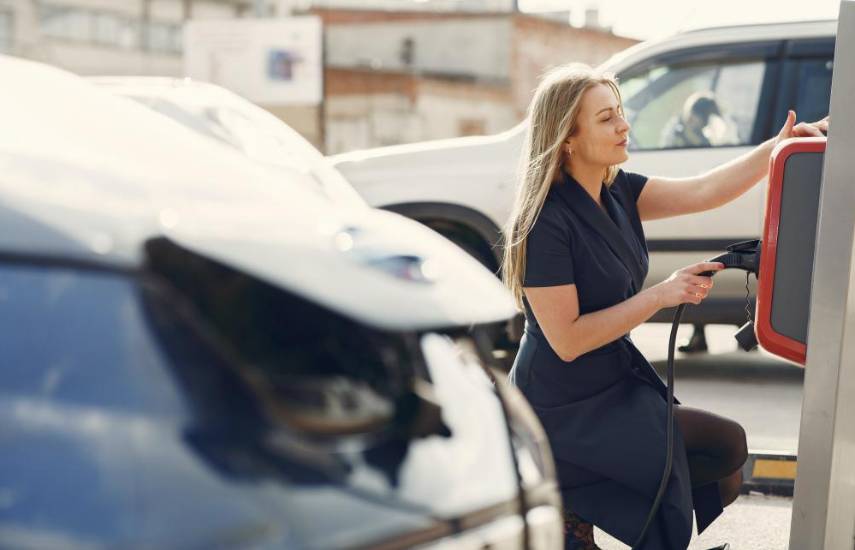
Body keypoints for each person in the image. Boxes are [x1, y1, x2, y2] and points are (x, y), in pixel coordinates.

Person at [501, 62, 828, 550]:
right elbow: (567, 341)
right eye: (607, 118)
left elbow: (705, 191)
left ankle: (574, 511)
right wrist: (661, 294)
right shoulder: (546, 221)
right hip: (561, 404)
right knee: (703, 456)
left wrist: (778, 149)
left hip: (612, 383)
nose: (624, 125)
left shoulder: (619, 191)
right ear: (567, 137)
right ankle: (572, 503)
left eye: (620, 113)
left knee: (722, 457)